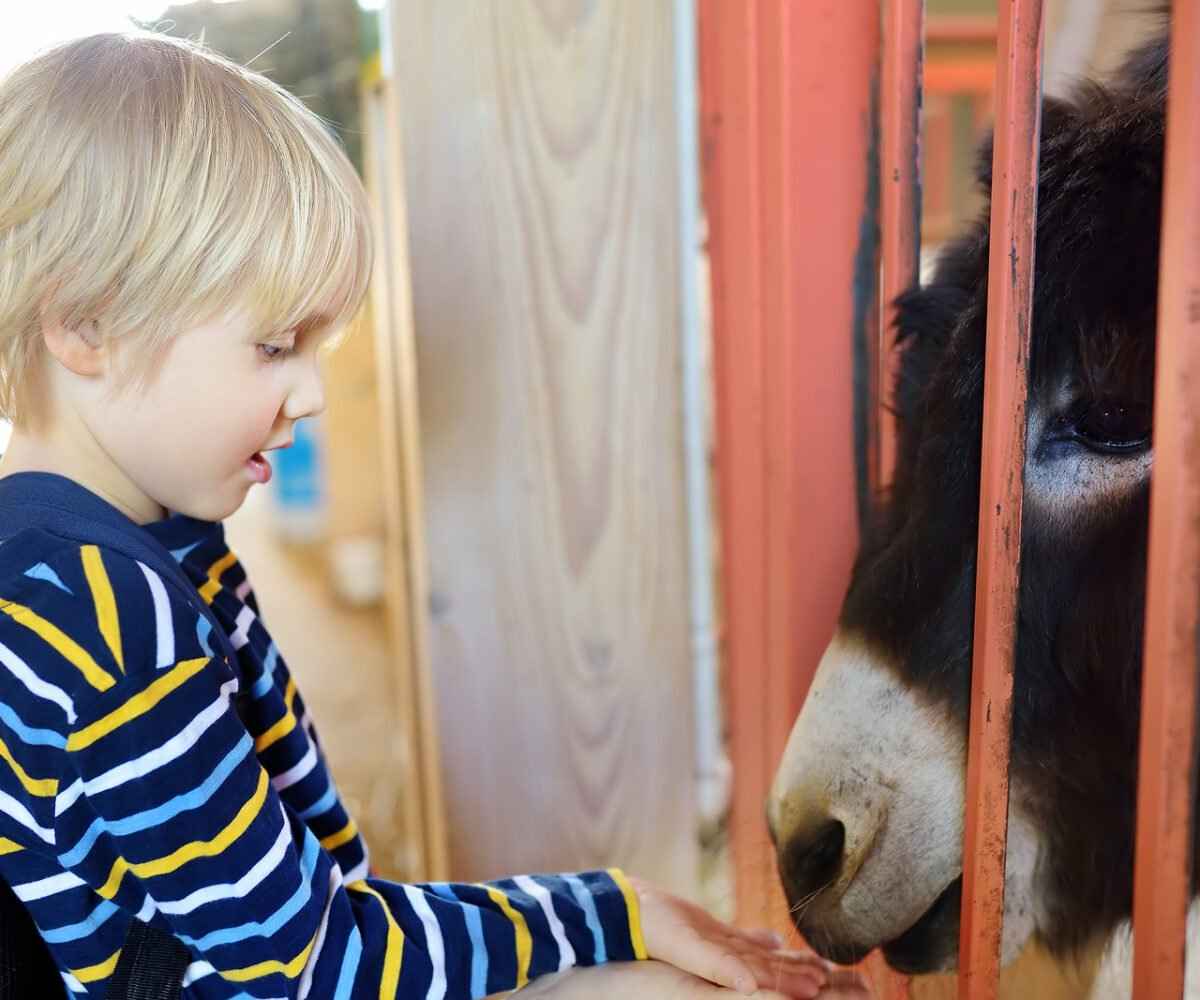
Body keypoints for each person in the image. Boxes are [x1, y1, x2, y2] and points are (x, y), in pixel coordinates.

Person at [0, 29, 870, 1000]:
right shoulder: (102, 608)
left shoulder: (108, 555)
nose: (311, 395)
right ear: (87, 324)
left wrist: (610, 918)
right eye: (275, 345)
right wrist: (610, 913)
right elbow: (310, 963)